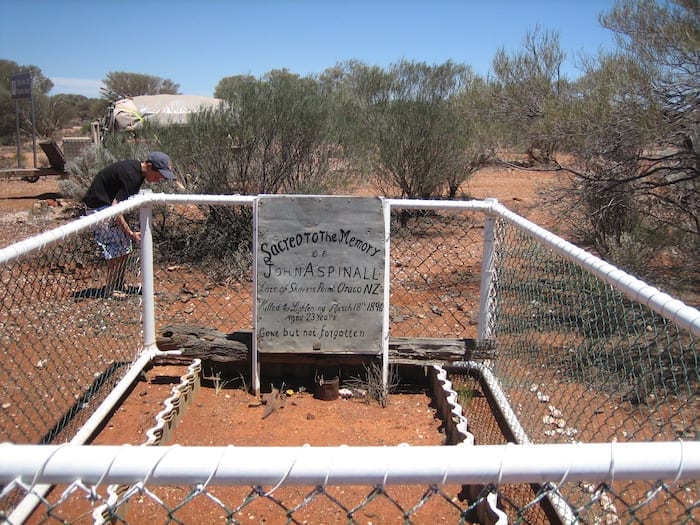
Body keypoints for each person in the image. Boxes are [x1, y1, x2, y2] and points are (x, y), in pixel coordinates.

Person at [82, 151, 176, 298]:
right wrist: (129, 233)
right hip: (99, 209)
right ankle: (111, 288)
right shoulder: (132, 176)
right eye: (158, 175)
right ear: (149, 166)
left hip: (104, 208)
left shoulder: (135, 171)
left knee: (122, 248)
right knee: (115, 250)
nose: (159, 180)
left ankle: (118, 283)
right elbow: (115, 208)